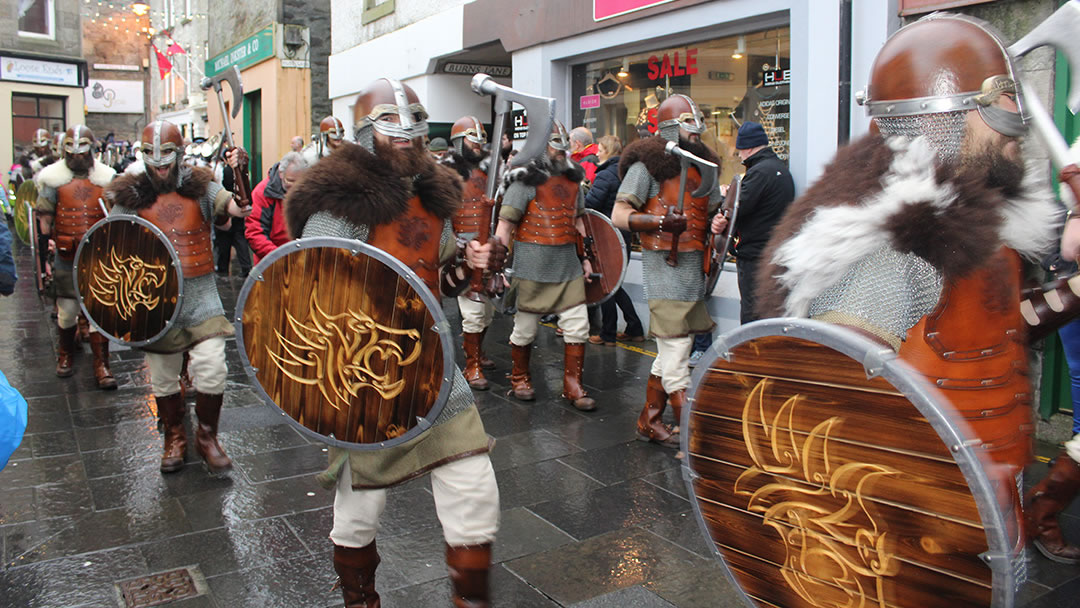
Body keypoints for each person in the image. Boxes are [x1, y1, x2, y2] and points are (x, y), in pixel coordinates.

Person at [754, 13, 1062, 559]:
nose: (1017, 131)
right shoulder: (896, 250)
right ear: (942, 120)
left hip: (992, 490)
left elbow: (980, 339)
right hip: (916, 526)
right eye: (999, 113)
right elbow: (837, 414)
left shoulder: (977, 225)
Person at [284, 77, 501, 607]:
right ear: (363, 132)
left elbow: (437, 281)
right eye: (389, 122)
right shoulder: (340, 207)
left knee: (475, 492)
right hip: (364, 378)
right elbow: (309, 298)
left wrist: (467, 264)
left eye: (414, 122)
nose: (405, 132)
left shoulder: (431, 197)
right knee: (358, 516)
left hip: (434, 370)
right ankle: (362, 601)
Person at [104, 119, 251, 475]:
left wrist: (240, 172)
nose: (159, 163)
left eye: (166, 154)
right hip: (156, 300)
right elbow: (112, 246)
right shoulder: (130, 197)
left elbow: (238, 208)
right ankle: (174, 436)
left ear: (180, 154)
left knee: (213, 369)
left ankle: (207, 437)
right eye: (152, 156)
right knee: (165, 377)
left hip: (201, 295)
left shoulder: (201, 187)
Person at [612, 94, 722, 449]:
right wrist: (659, 220)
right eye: (689, 119)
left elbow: (710, 213)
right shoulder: (646, 167)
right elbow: (618, 215)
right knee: (676, 357)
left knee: (673, 351)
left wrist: (719, 222)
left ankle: (649, 420)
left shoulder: (704, 167)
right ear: (672, 124)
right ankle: (693, 436)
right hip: (665, 268)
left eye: (698, 119)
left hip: (693, 271)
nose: (698, 126)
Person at [494, 120, 597, 412]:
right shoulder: (524, 179)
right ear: (541, 146)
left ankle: (572, 385)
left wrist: (587, 258)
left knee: (578, 326)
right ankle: (519, 377)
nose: (561, 151)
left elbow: (579, 222)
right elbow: (506, 225)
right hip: (531, 266)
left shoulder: (573, 179)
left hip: (567, 264)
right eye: (555, 145)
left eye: (563, 145)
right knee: (525, 329)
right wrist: (498, 266)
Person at [34, 125, 118, 390]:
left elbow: (118, 215)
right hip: (65, 253)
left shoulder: (107, 178)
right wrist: (45, 246)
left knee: (98, 313)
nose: (78, 154)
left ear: (92, 149)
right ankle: (66, 354)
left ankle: (101, 365)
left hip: (99, 255)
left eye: (83, 148)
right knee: (67, 311)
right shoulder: (53, 180)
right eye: (72, 148)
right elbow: (44, 220)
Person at [711, 121, 795, 325]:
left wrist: (724, 197)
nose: (739, 156)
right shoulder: (779, 169)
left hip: (755, 257)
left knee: (752, 313)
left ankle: (751, 355)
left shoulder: (759, 173)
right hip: (775, 254)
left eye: (740, 151)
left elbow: (736, 208)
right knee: (771, 312)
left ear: (748, 148)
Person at [442, 116, 499, 390]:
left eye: (479, 139)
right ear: (458, 141)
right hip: (461, 252)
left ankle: (478, 352)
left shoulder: (492, 171)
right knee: (473, 312)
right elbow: (441, 217)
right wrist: (453, 246)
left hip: (488, 250)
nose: (477, 144)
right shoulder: (445, 175)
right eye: (471, 138)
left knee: (487, 312)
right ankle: (471, 365)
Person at [583, 134, 644, 346]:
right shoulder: (626, 174)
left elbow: (590, 204)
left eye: (599, 149)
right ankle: (634, 327)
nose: (596, 152)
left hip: (605, 236)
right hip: (622, 235)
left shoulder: (605, 175)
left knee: (606, 284)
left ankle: (608, 333)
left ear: (607, 151)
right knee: (615, 284)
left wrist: (581, 193)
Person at [245, 151, 310, 265]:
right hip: (270, 261)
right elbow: (254, 232)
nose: (294, 187)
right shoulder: (262, 193)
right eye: (290, 181)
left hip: (301, 260)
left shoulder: (308, 190)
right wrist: (278, 256)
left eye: (299, 182)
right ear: (281, 174)